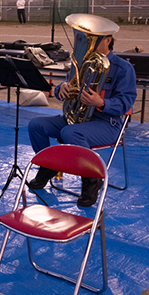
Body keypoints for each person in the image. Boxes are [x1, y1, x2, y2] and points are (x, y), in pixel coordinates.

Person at [27, 15, 137, 207]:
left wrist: (101, 102)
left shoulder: (123, 68)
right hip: (79, 118)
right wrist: (61, 89)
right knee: (36, 125)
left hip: (107, 123)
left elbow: (126, 103)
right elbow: (67, 88)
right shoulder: (80, 62)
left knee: (70, 132)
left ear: (108, 40)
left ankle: (91, 179)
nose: (85, 44)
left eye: (91, 38)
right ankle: (49, 165)